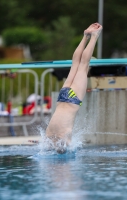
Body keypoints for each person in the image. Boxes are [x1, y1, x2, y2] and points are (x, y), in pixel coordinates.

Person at [45, 23, 103, 153]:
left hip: (71, 100)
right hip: (63, 98)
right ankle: (85, 37)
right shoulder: (49, 138)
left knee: (82, 64)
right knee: (77, 64)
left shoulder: (62, 140)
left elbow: (69, 148)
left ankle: (92, 37)